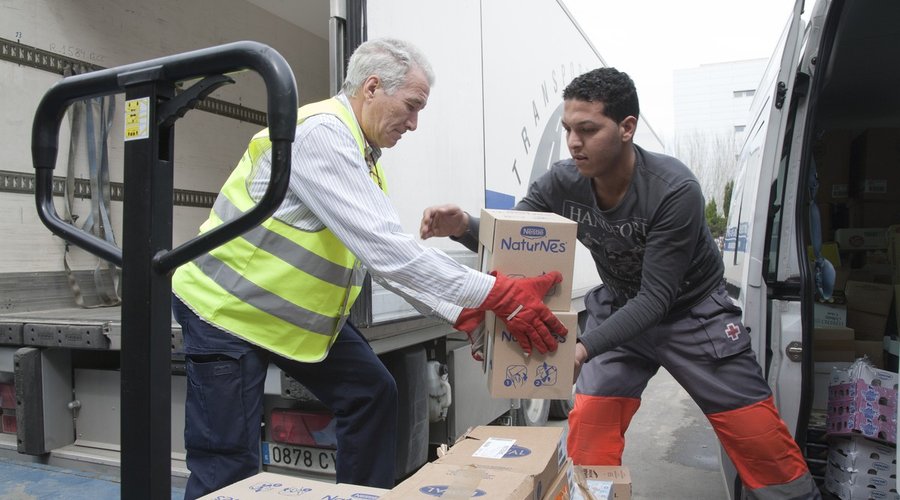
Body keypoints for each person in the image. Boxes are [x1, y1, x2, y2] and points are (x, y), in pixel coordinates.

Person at [170, 38, 567, 499]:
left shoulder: (362, 157)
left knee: (372, 393)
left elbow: (380, 257)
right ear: (373, 87)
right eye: (412, 106)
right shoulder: (320, 135)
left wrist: (462, 313)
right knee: (227, 463)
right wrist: (496, 294)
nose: (415, 124)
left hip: (286, 319)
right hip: (228, 315)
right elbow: (390, 253)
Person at [420, 67, 821, 499]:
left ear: (627, 127)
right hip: (620, 310)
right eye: (569, 129)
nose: (574, 142)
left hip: (691, 315)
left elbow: (657, 299)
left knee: (761, 443)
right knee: (589, 438)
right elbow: (517, 237)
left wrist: (583, 348)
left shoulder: (673, 189)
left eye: (588, 130)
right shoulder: (562, 181)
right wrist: (463, 225)